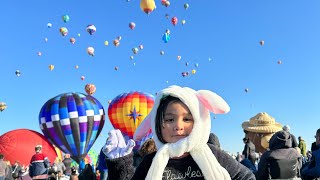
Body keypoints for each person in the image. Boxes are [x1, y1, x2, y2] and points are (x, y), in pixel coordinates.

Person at [103, 85, 256, 180]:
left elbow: (246, 176)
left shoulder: (213, 154)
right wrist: (119, 166)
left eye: (187, 119)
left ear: (199, 122)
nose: (178, 126)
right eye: (169, 120)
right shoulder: (151, 161)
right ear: (157, 124)